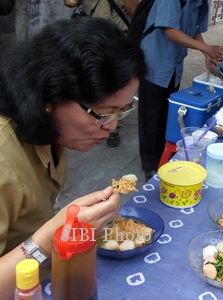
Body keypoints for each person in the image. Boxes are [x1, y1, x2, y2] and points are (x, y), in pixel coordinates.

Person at [0, 17, 145, 296]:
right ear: (50, 96)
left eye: (122, 110)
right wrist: (53, 235)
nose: (112, 126)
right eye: (103, 113)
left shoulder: (52, 134)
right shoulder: (4, 158)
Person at [138, 0, 223, 180]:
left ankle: (162, 159)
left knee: (167, 113)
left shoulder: (201, 4)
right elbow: (170, 30)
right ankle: (149, 165)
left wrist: (206, 54)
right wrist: (206, 48)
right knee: (150, 116)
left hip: (174, 65)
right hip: (154, 61)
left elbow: (194, 31)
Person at [73, 0, 140, 147]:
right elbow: (135, 10)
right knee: (108, 82)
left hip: (102, 36)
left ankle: (105, 120)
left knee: (107, 81)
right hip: (105, 37)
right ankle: (106, 123)